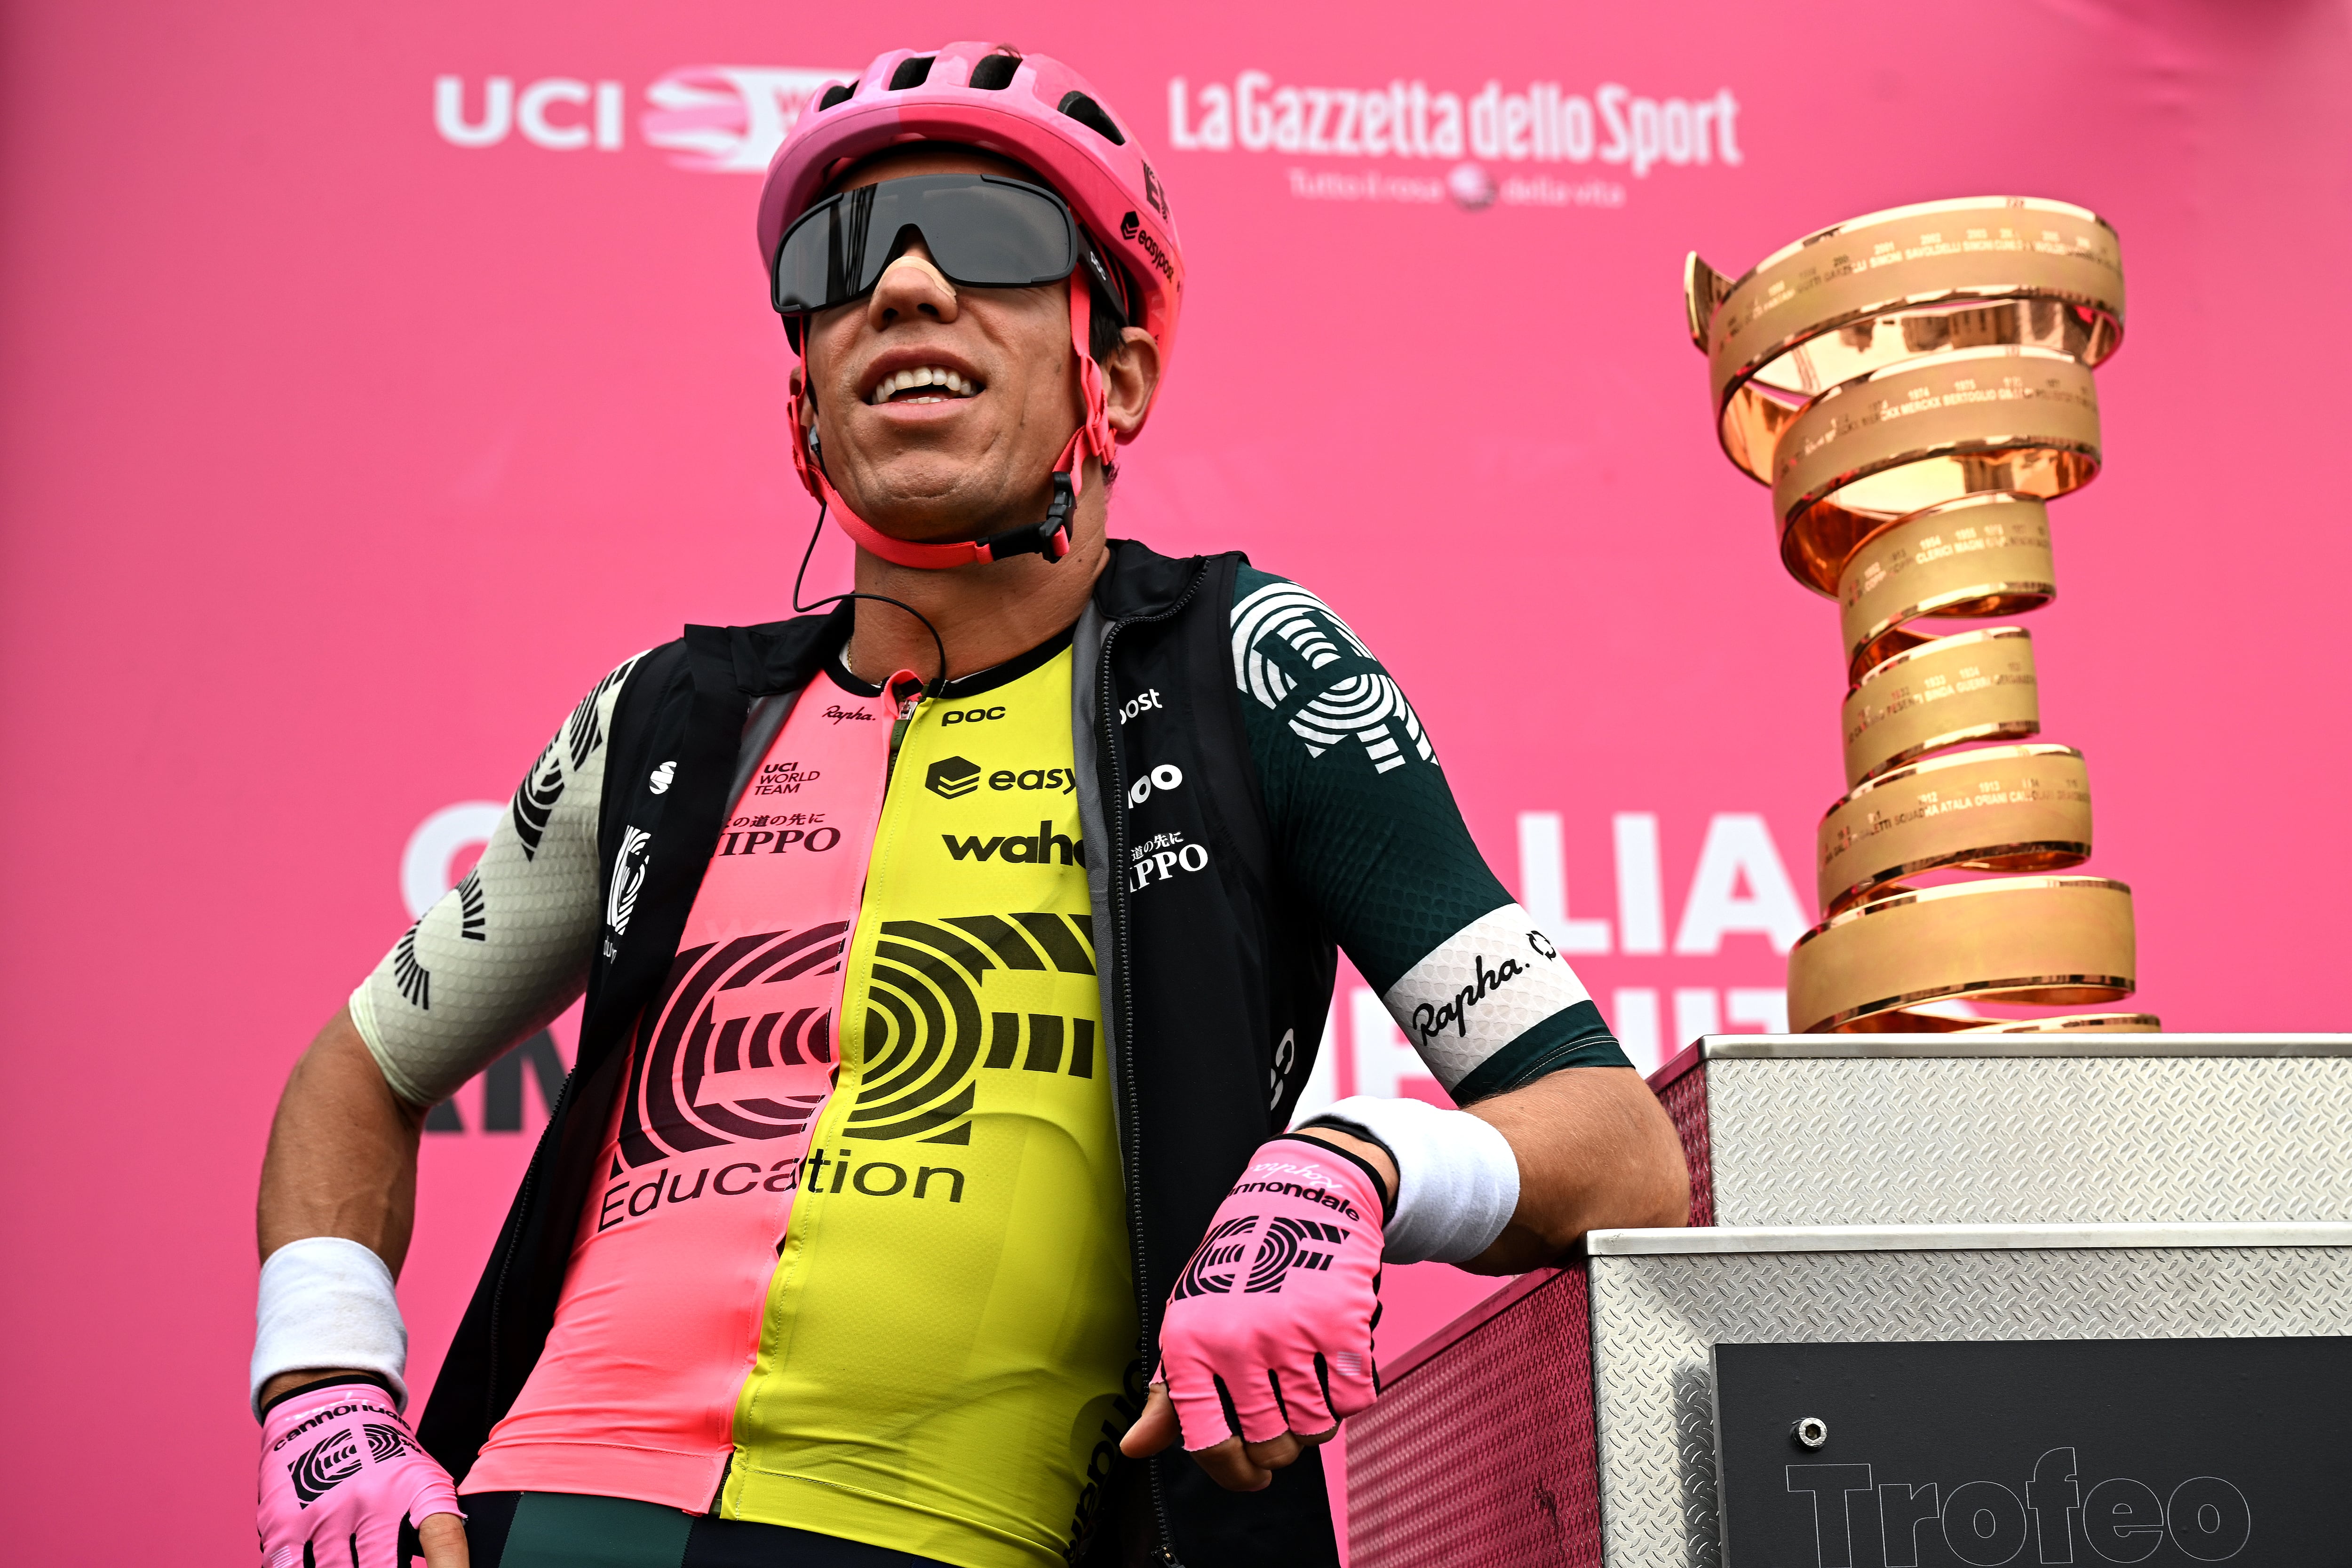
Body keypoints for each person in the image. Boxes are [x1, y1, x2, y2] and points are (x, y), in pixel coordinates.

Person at [251, 41, 1688, 1568]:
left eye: (991, 241)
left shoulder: (1249, 667)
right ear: (802, 384)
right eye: (844, 256)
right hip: (547, 1516)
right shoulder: (666, 720)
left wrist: (1360, 1163)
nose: (910, 290)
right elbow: (354, 1075)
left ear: (1112, 376)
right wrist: (324, 1388)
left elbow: (1625, 1152)